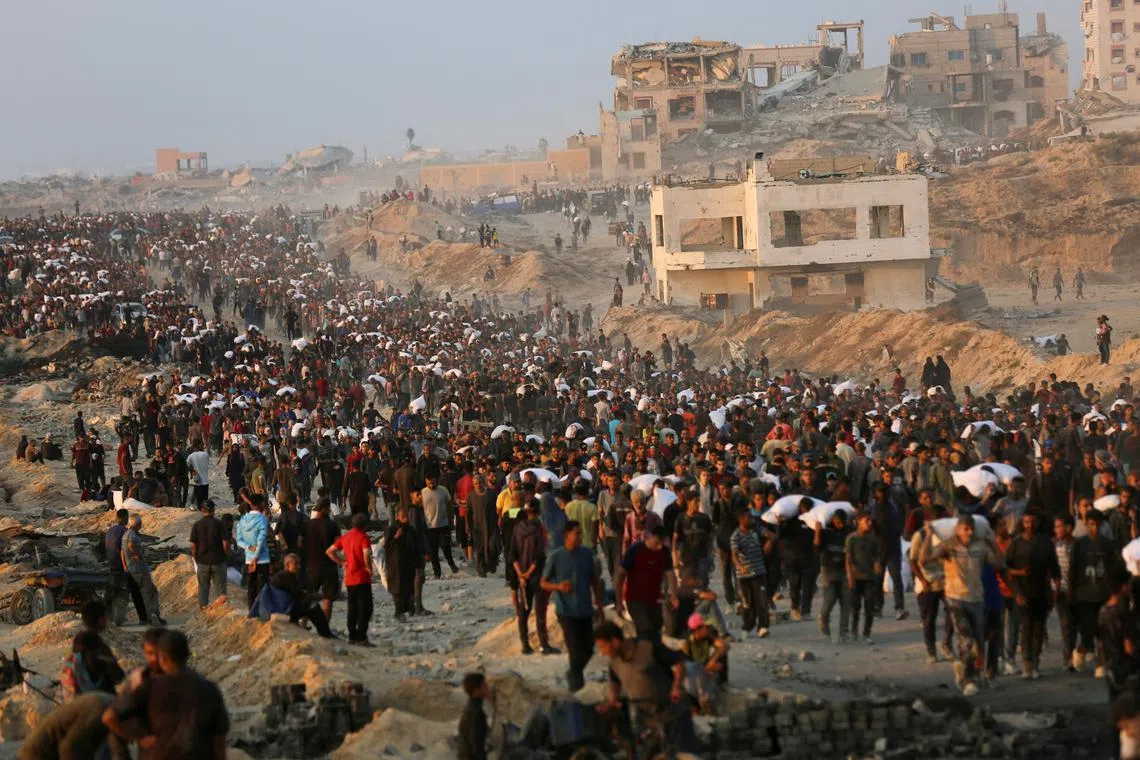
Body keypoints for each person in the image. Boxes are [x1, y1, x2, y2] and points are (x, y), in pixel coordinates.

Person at [103, 630, 229, 759]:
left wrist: (141, 738)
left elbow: (109, 717)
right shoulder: (209, 689)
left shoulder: (149, 687)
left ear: (163, 657)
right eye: (149, 653)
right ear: (188, 654)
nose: (153, 659)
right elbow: (219, 740)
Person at [919, 516, 1006, 696]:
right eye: (965, 529)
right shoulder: (948, 545)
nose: (969, 532)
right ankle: (968, 680)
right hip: (955, 598)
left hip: (977, 599)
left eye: (971, 528)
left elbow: (999, 564)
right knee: (965, 639)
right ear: (957, 529)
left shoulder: (981, 546)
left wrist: (992, 543)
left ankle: (969, 671)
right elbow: (924, 559)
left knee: (978, 642)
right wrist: (928, 535)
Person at [593, 621, 698, 754]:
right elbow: (614, 681)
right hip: (646, 719)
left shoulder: (647, 648)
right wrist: (612, 701)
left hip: (672, 712)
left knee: (683, 753)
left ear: (614, 641)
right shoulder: (614, 661)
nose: (602, 653)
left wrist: (676, 686)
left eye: (603, 647)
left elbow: (678, 662)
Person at [541, 520, 606, 691]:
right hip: (566, 611)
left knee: (589, 649)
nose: (579, 536)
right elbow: (543, 583)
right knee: (574, 650)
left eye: (580, 533)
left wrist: (600, 607)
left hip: (585, 609)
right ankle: (576, 686)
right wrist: (558, 587)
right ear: (566, 536)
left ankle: (573, 673)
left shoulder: (586, 555)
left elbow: (594, 582)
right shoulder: (556, 556)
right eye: (576, 533)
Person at [1003, 510, 1059, 678]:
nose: (1030, 525)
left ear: (1038, 523)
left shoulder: (1046, 543)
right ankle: (1027, 664)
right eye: (1026, 522)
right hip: (1022, 592)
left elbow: (1054, 568)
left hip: (1041, 591)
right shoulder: (1016, 543)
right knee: (1025, 629)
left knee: (1039, 630)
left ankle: (1035, 663)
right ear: (1022, 523)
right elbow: (1005, 570)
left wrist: (1055, 590)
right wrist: (1016, 591)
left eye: (1033, 522)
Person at [615, 526, 676, 642]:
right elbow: (620, 577)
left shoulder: (664, 552)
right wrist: (619, 602)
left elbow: (671, 575)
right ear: (650, 537)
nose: (659, 547)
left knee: (656, 629)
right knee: (645, 630)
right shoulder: (635, 550)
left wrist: (673, 595)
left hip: (654, 599)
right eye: (657, 543)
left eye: (662, 543)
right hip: (635, 599)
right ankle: (643, 656)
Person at [511, 500, 554, 655]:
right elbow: (539, 556)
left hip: (522, 576)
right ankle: (543, 644)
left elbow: (512, 555)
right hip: (537, 575)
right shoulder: (539, 530)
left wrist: (521, 575)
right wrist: (529, 573)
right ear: (538, 512)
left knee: (524, 610)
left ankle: (525, 645)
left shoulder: (516, 530)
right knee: (540, 610)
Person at [327, 513, 376, 646]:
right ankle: (361, 636)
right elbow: (366, 554)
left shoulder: (346, 537)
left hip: (349, 578)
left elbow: (330, 551)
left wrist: (342, 562)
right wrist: (369, 568)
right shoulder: (363, 537)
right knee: (365, 608)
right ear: (364, 526)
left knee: (352, 608)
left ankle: (352, 636)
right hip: (362, 578)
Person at [19, 692, 114, 760]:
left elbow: (120, 752)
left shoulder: (114, 712)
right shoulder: (99, 713)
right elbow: (69, 751)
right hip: (38, 753)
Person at [730, 507, 773, 638]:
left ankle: (763, 627)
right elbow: (734, 555)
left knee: (762, 601)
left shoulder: (756, 529)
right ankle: (748, 626)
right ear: (741, 519)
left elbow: (771, 535)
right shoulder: (735, 536)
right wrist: (740, 566)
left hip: (759, 572)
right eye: (748, 517)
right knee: (747, 603)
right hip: (744, 575)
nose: (751, 519)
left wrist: (769, 542)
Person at [269, 553, 333, 637]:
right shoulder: (287, 577)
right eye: (295, 564)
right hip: (284, 612)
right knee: (313, 606)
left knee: (310, 603)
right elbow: (297, 597)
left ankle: (323, 632)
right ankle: (326, 634)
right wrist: (317, 596)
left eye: (299, 563)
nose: (299, 566)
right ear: (288, 564)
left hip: (280, 609)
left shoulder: (281, 576)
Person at [680, 613, 729, 714]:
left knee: (721, 656)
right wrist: (707, 668)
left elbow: (724, 646)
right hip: (693, 675)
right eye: (705, 627)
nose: (707, 628)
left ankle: (721, 685)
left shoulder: (708, 635)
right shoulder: (686, 642)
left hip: (704, 668)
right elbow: (687, 666)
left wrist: (713, 660)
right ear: (697, 630)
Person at [105, 508, 147, 625]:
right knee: (136, 590)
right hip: (124, 566)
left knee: (110, 592)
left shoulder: (110, 531)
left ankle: (106, 617)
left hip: (112, 565)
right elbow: (126, 550)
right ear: (125, 519)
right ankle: (143, 618)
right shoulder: (126, 532)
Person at [815, 509, 851, 642]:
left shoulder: (848, 532)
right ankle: (824, 624)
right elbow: (817, 548)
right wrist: (818, 531)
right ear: (833, 521)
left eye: (842, 522)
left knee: (846, 602)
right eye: (837, 521)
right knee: (829, 600)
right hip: (828, 570)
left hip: (844, 570)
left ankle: (844, 632)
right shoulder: (827, 533)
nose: (840, 524)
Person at [121, 514, 164, 626]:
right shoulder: (132, 535)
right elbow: (131, 545)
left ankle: (144, 618)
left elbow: (122, 551)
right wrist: (137, 555)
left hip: (131, 569)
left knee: (139, 594)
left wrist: (125, 565)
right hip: (139, 568)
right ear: (138, 524)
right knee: (150, 592)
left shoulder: (125, 534)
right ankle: (153, 615)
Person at [846, 511, 881, 644]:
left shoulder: (872, 538)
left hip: (869, 577)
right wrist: (850, 576)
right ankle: (853, 631)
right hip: (856, 577)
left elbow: (876, 555)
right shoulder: (852, 539)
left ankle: (867, 633)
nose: (869, 523)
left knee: (869, 606)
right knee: (855, 607)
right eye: (866, 521)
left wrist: (877, 563)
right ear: (858, 522)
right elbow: (848, 558)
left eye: (870, 521)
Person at [305, 498, 342, 622]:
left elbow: (300, 543)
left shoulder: (308, 524)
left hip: (311, 565)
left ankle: (303, 623)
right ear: (325, 508)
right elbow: (338, 544)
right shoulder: (332, 525)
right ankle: (325, 626)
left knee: (309, 596)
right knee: (328, 598)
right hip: (329, 565)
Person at [189, 499, 228, 608]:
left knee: (203, 588)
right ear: (213, 510)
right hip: (218, 561)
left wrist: (196, 557)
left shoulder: (196, 525)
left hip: (202, 561)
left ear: (202, 510)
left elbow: (193, 546)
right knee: (221, 590)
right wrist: (226, 556)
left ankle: (203, 610)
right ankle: (220, 611)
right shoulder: (219, 524)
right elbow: (225, 544)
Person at [385, 506, 422, 620]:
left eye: (407, 517)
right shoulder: (392, 529)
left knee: (409, 587)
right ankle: (398, 612)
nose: (405, 519)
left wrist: (419, 562)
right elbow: (386, 546)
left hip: (409, 563)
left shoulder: (412, 530)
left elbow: (416, 547)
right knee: (397, 588)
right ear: (398, 517)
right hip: (395, 564)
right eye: (403, 517)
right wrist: (396, 537)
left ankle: (410, 609)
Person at [236, 497, 271, 608]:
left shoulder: (243, 520)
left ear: (251, 506)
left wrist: (248, 547)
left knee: (251, 588)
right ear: (260, 505)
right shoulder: (262, 520)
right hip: (262, 559)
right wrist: (256, 558)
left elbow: (239, 540)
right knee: (262, 587)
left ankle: (252, 611)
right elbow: (260, 541)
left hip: (248, 559)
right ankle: (261, 612)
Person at [422, 474, 459, 578]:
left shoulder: (443, 490)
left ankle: (451, 564)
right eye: (429, 483)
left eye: (433, 482)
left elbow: (449, 506)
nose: (431, 484)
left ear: (436, 480)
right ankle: (437, 573)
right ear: (426, 481)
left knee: (446, 546)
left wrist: (451, 519)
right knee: (433, 552)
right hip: (430, 527)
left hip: (443, 524)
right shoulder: (423, 493)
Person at [457, 672, 489, 760]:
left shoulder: (473, 706)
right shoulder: (476, 712)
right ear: (476, 690)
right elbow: (475, 743)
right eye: (484, 686)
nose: (487, 689)